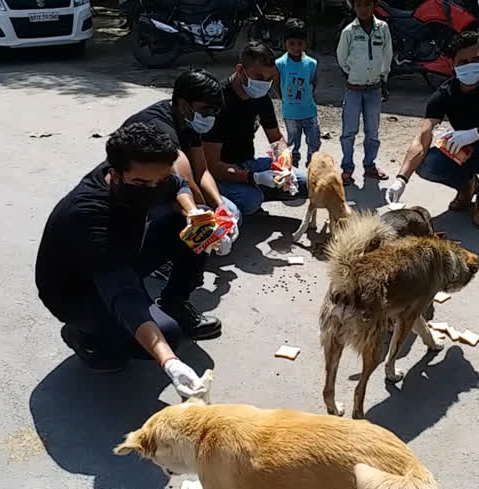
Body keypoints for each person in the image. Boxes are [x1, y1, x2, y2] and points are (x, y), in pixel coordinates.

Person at [35, 123, 221, 392]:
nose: (154, 188)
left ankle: (175, 301)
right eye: (143, 184)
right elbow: (122, 293)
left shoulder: (145, 174)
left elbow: (177, 184)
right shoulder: (88, 214)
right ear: (115, 173)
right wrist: (169, 362)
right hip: (77, 290)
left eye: (159, 180)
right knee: (165, 336)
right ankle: (85, 335)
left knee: (198, 222)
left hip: (124, 254)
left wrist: (193, 213)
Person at [386, 31, 479, 229]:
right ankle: (467, 186)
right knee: (427, 163)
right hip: (466, 153)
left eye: (475, 59)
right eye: (463, 62)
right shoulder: (445, 94)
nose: (470, 65)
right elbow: (422, 137)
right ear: (452, 65)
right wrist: (401, 179)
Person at [120, 68, 240, 255]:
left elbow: (202, 171)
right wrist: (206, 215)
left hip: (167, 187)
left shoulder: (189, 121)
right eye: (206, 110)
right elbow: (185, 182)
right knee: (194, 223)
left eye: (214, 111)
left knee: (232, 213)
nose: (211, 116)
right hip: (138, 196)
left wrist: (220, 207)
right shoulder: (160, 127)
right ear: (185, 104)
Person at [202, 41, 308, 216]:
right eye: (259, 77)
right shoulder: (218, 102)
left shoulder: (260, 98)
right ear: (240, 71)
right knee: (251, 201)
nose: (264, 84)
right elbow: (212, 166)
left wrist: (284, 163)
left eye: (269, 79)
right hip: (221, 171)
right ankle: (223, 196)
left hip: (248, 162)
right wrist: (253, 177)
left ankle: (257, 189)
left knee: (306, 183)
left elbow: (276, 138)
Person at [336, 0, 393, 185]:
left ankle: (370, 166)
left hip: (374, 89)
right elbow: (342, 58)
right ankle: (347, 168)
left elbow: (387, 54)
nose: (364, 9)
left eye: (367, 4)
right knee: (348, 132)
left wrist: (383, 77)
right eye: (359, 5)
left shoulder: (383, 28)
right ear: (354, 7)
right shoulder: (348, 32)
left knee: (372, 131)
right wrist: (353, 74)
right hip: (354, 89)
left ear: (374, 5)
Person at [275, 18, 321, 169]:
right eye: (291, 43)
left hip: (309, 111)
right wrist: (285, 100)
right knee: (293, 145)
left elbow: (313, 83)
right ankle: (292, 171)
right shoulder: (280, 64)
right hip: (291, 114)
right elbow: (276, 85)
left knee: (314, 141)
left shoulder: (311, 64)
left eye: (300, 43)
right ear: (285, 43)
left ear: (306, 43)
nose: (296, 47)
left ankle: (312, 167)